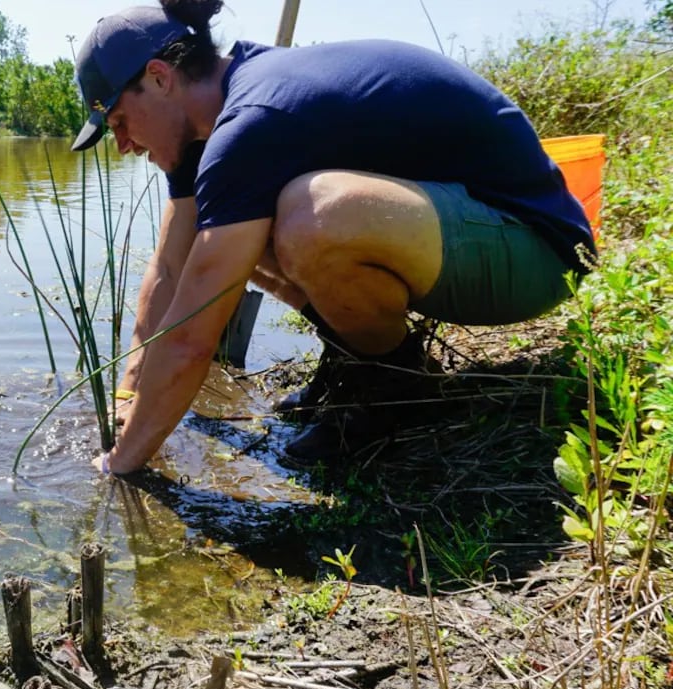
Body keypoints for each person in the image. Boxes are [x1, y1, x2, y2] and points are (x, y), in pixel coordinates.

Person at [74, 0, 596, 475]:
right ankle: (356, 356)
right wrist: (130, 387)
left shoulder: (250, 122)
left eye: (119, 120)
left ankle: (393, 380)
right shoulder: (208, 125)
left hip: (539, 252)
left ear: (161, 77)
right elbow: (170, 268)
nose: (122, 144)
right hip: (455, 234)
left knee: (309, 216)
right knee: (231, 237)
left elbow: (191, 339)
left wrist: (119, 463)